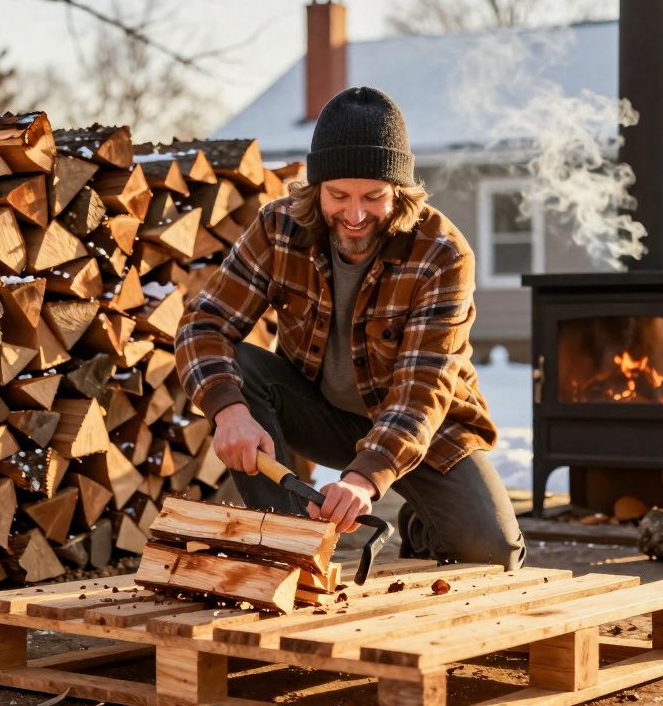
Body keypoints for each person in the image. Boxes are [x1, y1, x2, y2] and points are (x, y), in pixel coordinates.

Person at [173, 87, 525, 569]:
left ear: (399, 191)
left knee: (492, 553)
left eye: (373, 197)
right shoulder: (278, 228)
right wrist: (227, 408)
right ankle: (285, 544)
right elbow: (203, 322)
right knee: (238, 367)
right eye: (338, 195)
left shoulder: (442, 253)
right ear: (316, 188)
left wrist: (364, 478)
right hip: (321, 413)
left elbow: (422, 393)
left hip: (422, 426)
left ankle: (423, 521)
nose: (355, 216)